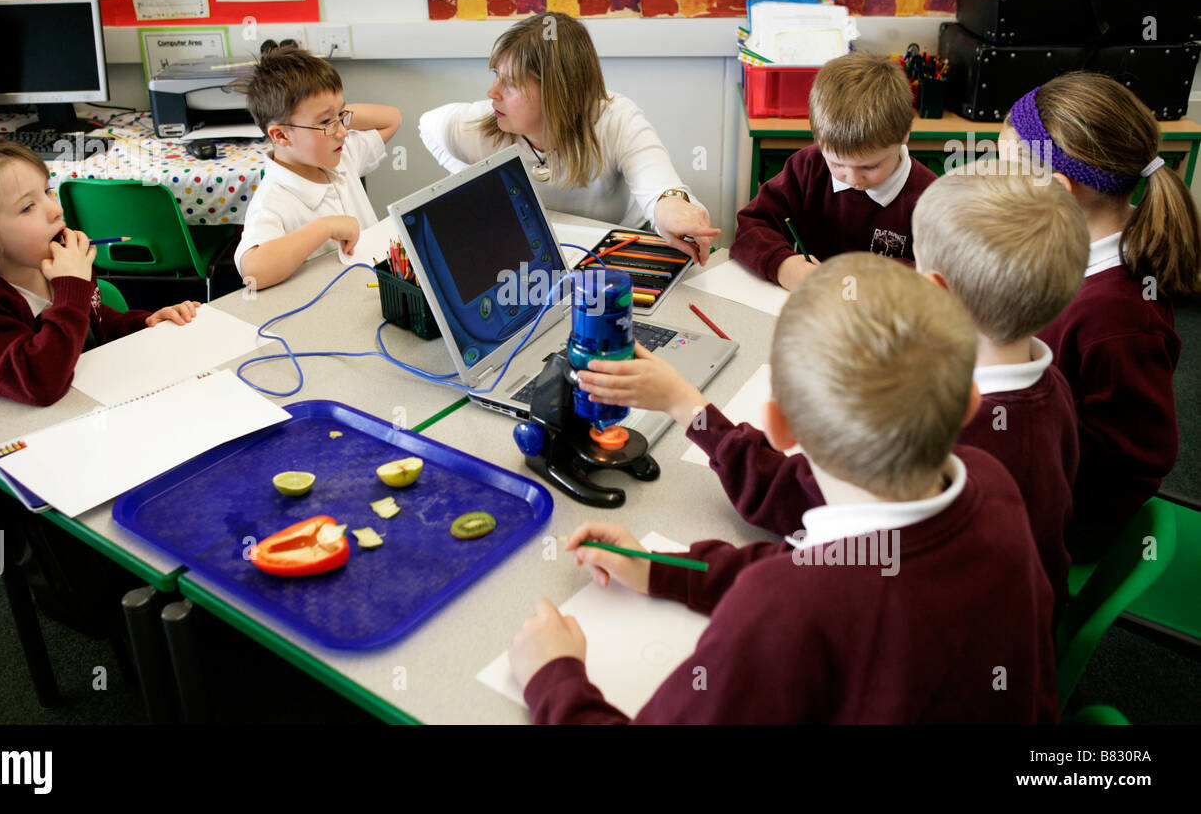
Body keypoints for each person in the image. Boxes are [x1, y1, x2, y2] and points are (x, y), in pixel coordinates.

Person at [513, 255, 1057, 723]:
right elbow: (809, 566)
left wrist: (553, 676)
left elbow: (797, 586)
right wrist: (668, 569)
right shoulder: (996, 485)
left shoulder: (781, 611)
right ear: (969, 403)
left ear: (780, 427)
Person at [0, 135, 199, 526]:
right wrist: (70, 288)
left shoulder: (54, 257)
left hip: (77, 426)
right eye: (28, 206)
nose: (54, 210)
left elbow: (94, 323)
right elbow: (41, 380)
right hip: (3, 480)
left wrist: (141, 323)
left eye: (46, 191)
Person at [1002, 73, 1200, 560]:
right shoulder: (1067, 239)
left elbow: (1139, 457)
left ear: (1057, 187)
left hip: (1062, 516)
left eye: (1005, 169)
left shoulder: (1119, 318)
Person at [913, 169, 1088, 615]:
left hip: (968, 640)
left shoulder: (964, 436)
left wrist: (711, 424)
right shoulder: (1049, 382)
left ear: (934, 292)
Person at [417, 12, 719, 264]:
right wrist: (481, 184)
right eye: (496, 75)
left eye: (509, 83)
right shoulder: (487, 123)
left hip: (620, 251)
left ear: (555, 92)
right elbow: (427, 126)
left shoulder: (616, 118)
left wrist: (672, 207)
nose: (492, 92)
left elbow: (659, 185)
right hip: (548, 257)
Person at [731, 50, 937, 289]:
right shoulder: (808, 166)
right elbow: (751, 227)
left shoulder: (932, 199)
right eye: (837, 164)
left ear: (904, 135)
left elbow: (944, 273)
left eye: (869, 166)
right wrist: (783, 265)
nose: (853, 178)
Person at [234, 45, 401, 289]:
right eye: (325, 122)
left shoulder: (339, 157)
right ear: (281, 136)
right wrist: (325, 227)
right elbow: (253, 272)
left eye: (342, 116)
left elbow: (391, 119)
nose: (343, 131)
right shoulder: (273, 199)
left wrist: (333, 114)